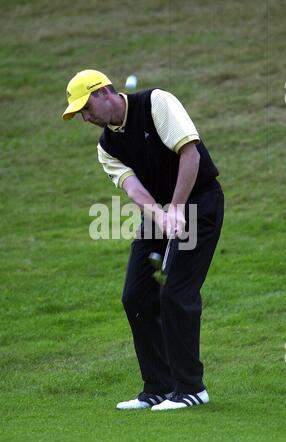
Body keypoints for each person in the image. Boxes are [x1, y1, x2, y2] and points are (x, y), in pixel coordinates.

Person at [62, 69, 224, 411]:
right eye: (79, 114)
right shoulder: (107, 146)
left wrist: (177, 209)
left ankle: (191, 388)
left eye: (86, 108)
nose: (85, 118)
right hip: (159, 212)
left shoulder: (156, 102)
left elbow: (190, 153)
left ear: (105, 92)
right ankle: (159, 386)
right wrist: (161, 215)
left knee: (176, 292)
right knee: (135, 295)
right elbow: (133, 188)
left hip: (200, 202)